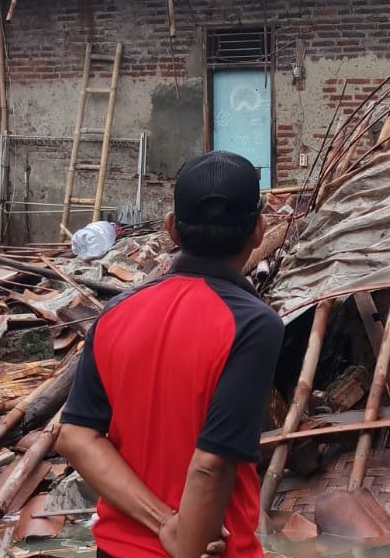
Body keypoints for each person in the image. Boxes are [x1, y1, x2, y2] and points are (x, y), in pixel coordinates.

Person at [57, 151, 284, 558]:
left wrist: (164, 522)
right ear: (258, 230)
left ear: (171, 229)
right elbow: (210, 466)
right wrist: (183, 540)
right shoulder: (254, 325)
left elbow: (75, 437)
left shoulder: (117, 312)